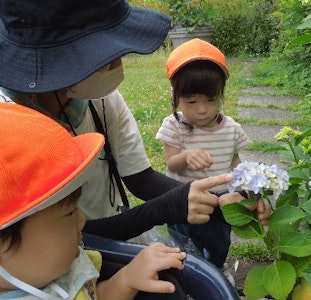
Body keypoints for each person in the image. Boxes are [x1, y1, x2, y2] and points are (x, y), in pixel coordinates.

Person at [0, 0, 270, 243]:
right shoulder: (10, 126)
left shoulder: (99, 98)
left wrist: (221, 202)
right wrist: (163, 208)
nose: (118, 63)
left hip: (116, 230)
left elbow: (139, 178)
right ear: (60, 59)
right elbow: (52, 242)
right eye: (106, 54)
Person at [0, 103, 187, 299]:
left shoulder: (54, 269)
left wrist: (125, 280)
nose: (82, 221)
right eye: (69, 213)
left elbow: (94, 295)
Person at [156, 38, 251, 285]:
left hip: (220, 201)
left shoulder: (230, 128)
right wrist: (185, 157)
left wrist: (246, 185)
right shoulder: (173, 127)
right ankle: (189, 275)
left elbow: (236, 162)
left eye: (211, 100)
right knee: (184, 243)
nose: (202, 110)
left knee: (220, 241)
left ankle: (218, 267)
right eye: (192, 102)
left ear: (221, 94)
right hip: (182, 199)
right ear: (176, 97)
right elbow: (171, 164)